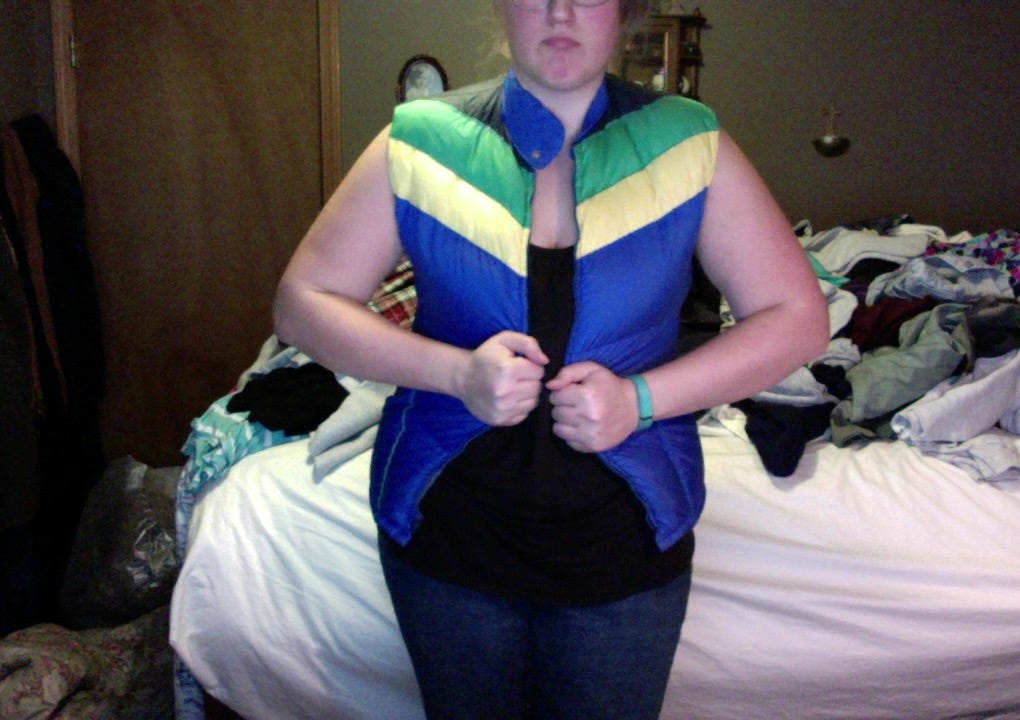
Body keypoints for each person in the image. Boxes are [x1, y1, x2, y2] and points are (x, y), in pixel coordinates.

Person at [273, 0, 829, 717]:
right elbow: (303, 304)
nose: (561, 11)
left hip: (627, 547)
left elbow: (796, 319)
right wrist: (455, 373)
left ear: (624, 10)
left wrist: (640, 401)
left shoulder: (688, 143)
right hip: (448, 543)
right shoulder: (420, 142)